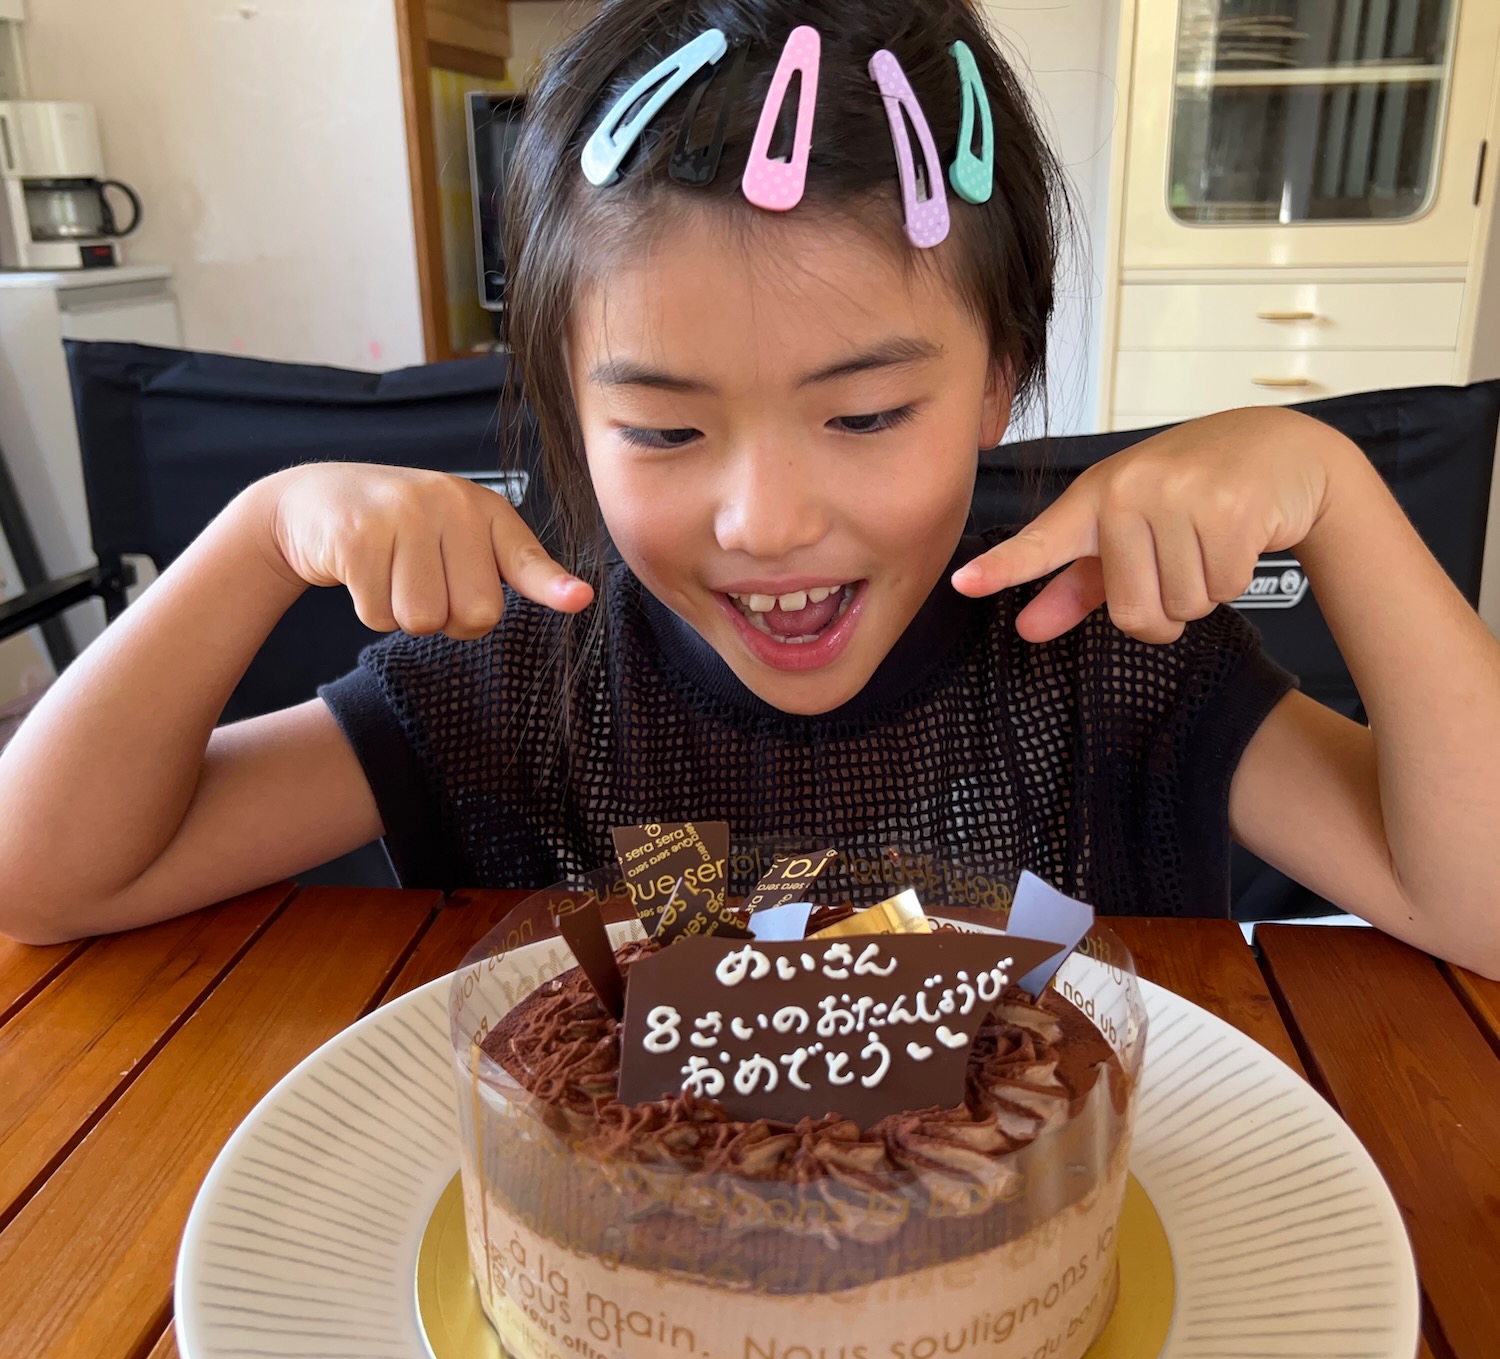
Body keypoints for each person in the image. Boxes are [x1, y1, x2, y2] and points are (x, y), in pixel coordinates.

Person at [1, 0, 1498, 977]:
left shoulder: (1106, 666)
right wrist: (258, 534)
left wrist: (1338, 490)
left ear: (1001, 376)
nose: (766, 522)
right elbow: (45, 877)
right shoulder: (520, 689)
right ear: (570, 410)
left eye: (865, 414)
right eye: (664, 430)